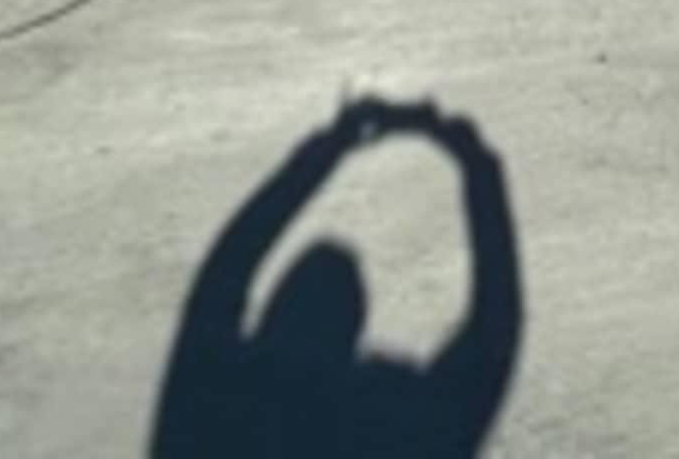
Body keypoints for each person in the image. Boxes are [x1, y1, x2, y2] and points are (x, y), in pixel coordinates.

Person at [150, 95, 523, 457]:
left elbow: (229, 263)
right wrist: (476, 165)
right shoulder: (404, 430)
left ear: (272, 317)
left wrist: (327, 150)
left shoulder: (214, 402)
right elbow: (496, 323)